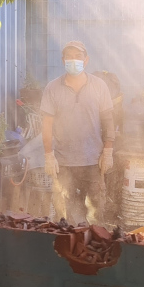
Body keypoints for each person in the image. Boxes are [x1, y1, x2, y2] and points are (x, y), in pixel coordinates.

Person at [40, 40, 115, 225]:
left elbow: (108, 120)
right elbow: (46, 125)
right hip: (64, 163)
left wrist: (108, 151)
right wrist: (49, 155)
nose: (73, 60)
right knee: (65, 218)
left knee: (95, 215)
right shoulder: (52, 88)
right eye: (69, 57)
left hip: (93, 162)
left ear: (86, 60)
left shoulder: (99, 86)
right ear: (63, 60)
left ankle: (94, 243)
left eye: (78, 56)